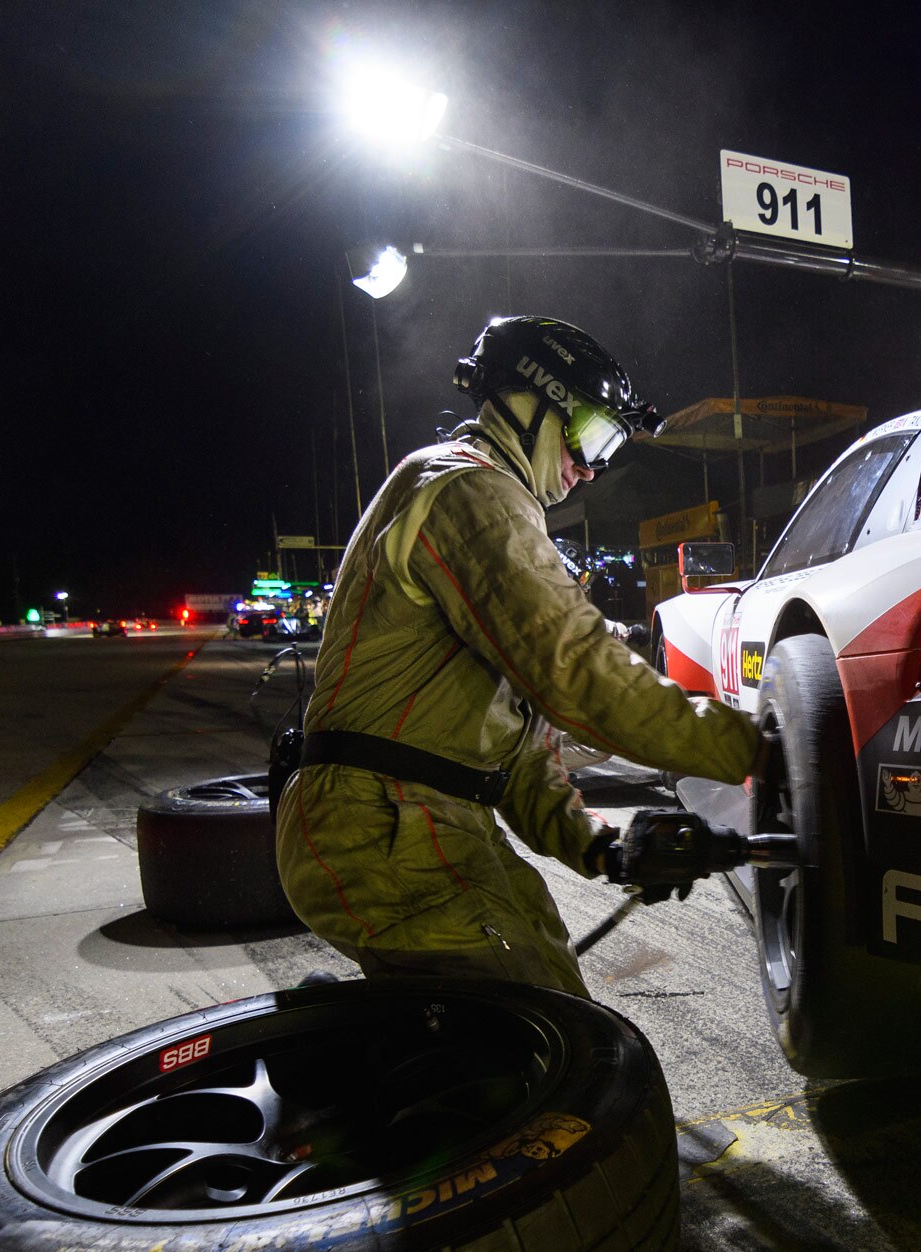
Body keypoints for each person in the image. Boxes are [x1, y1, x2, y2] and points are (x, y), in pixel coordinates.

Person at [275, 316, 761, 996]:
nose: (592, 468)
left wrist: (608, 848)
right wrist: (757, 748)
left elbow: (520, 755)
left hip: (416, 815)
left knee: (544, 969)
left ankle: (352, 1054)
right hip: (384, 817)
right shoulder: (470, 492)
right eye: (591, 435)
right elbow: (579, 673)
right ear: (527, 403)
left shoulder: (486, 508)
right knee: (546, 1031)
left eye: (610, 449)